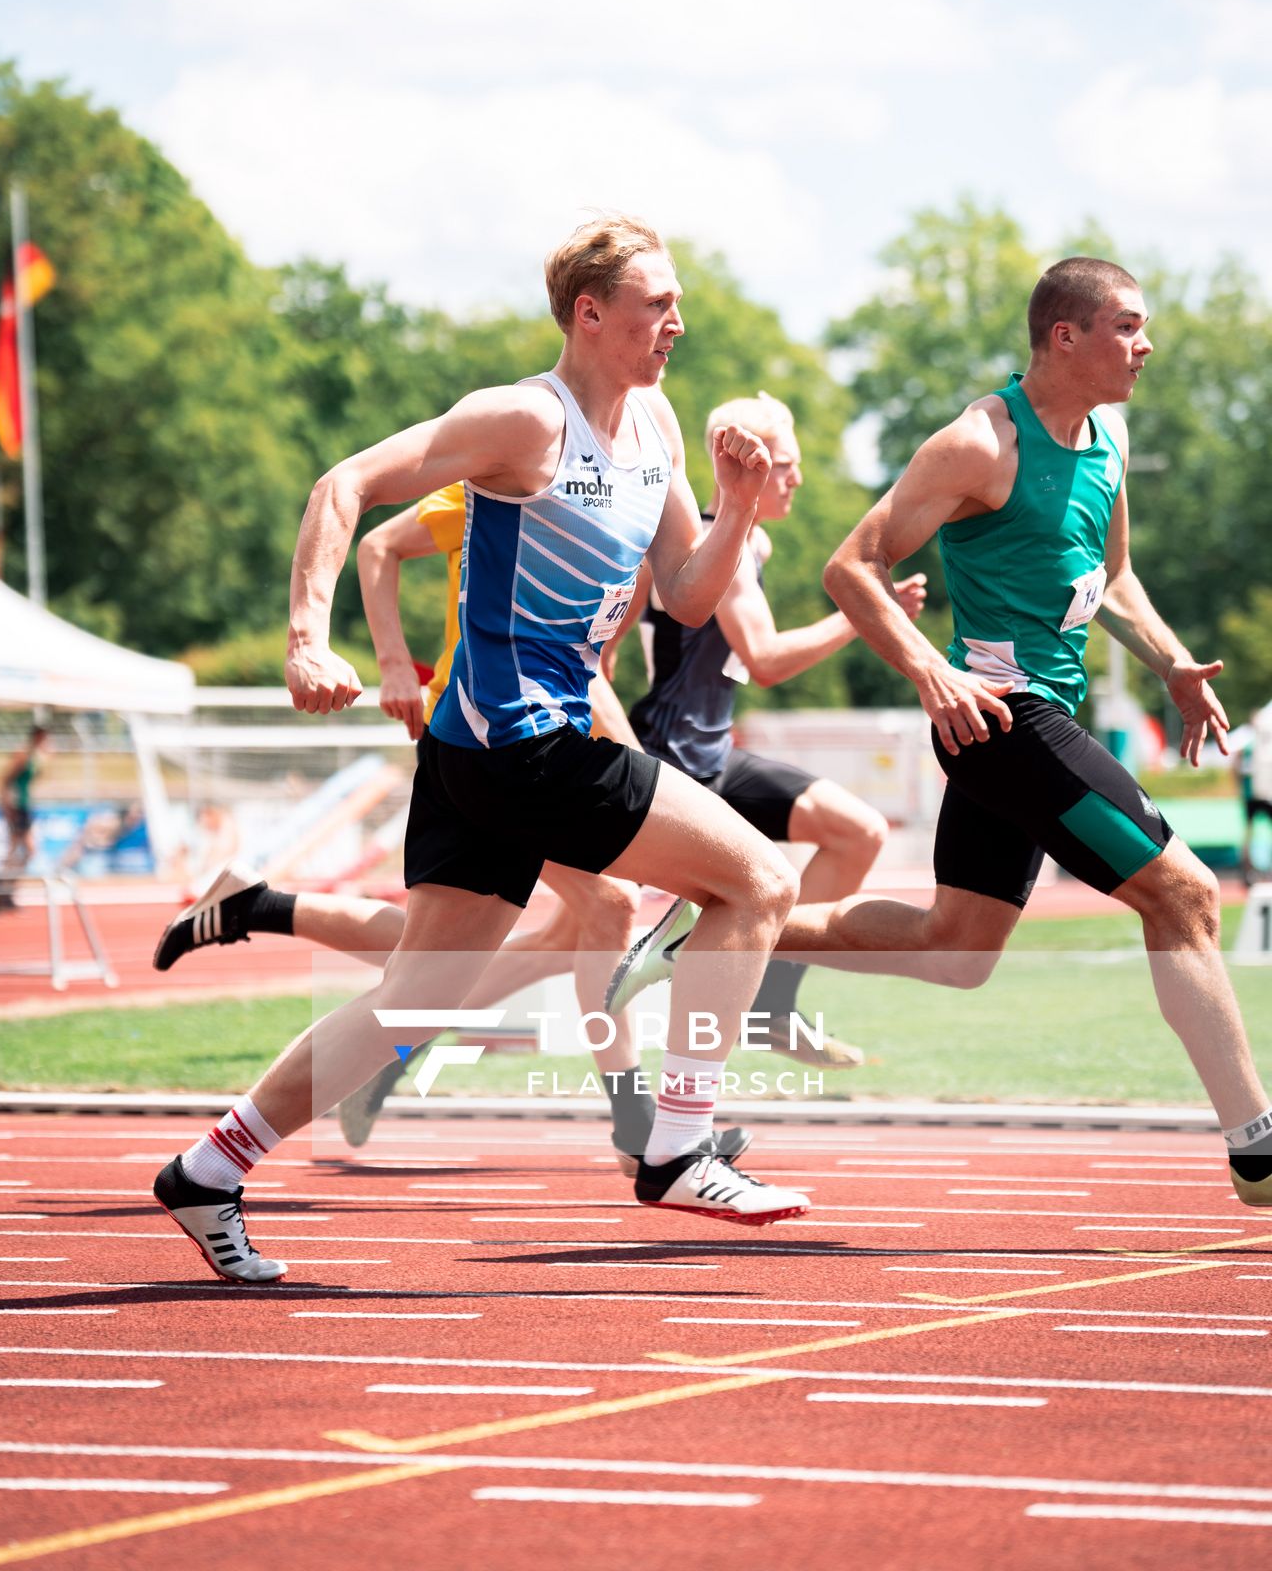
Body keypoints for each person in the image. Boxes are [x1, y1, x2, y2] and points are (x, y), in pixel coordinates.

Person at [153, 213, 810, 1284]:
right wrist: (308, 639)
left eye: (676, 300)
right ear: (589, 313)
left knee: (419, 998)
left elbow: (688, 592)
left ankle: (208, 1167)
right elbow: (344, 488)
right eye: (656, 303)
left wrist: (735, 507)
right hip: (525, 742)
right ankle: (678, 1146)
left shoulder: (656, 427)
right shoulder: (521, 422)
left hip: (478, 753)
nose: (675, 321)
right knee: (756, 883)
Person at [616, 257, 1272, 1207]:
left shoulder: (1111, 439)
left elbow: (1115, 577)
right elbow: (854, 566)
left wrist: (1169, 661)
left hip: (1028, 719)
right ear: (1066, 337)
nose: (1146, 344)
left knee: (956, 947)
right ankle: (1257, 1147)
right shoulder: (979, 443)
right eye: (1127, 326)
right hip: (1004, 721)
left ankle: (704, 937)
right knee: (1185, 893)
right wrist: (931, 668)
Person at [156, 481, 750, 1173]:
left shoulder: (634, 503)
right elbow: (377, 540)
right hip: (487, 730)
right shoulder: (521, 474)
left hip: (553, 729)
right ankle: (633, 1125)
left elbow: (594, 667)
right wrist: (391, 666)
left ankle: (276, 924)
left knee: (474, 956)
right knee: (604, 909)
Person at [604, 389, 925, 1057]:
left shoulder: (755, 546)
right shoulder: (708, 542)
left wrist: (607, 651)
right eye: (784, 464)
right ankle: (402, 1042)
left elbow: (636, 611)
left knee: (857, 833)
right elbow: (769, 661)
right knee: (561, 936)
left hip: (715, 752)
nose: (797, 479)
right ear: (740, 462)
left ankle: (771, 1007)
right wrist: (868, 614)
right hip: (672, 759)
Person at [0, 721, 50, 908]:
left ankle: (5, 890)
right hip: (17, 806)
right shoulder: (23, 754)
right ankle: (2, 890)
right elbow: (5, 780)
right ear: (38, 736)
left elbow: (32, 780)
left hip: (25, 806)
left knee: (19, 851)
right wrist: (7, 807)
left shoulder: (36, 756)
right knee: (22, 850)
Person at [1237, 699, 1272, 886]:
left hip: (1259, 794)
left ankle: (1250, 870)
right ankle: (1248, 870)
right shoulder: (1248, 741)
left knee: (1250, 833)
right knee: (1249, 833)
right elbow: (1236, 765)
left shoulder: (1255, 740)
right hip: (1255, 795)